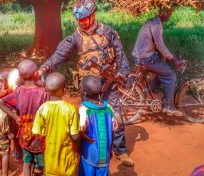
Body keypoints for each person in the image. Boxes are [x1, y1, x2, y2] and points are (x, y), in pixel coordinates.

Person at [40, 0, 134, 167]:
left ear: (93, 15)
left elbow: (120, 53)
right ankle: (91, 148)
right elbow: (60, 54)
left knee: (116, 114)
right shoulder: (75, 37)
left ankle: (120, 151)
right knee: (87, 118)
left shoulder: (108, 32)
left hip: (109, 81)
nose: (82, 22)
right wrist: (45, 67)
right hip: (88, 86)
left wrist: (125, 73)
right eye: (79, 20)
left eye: (85, 18)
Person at [0, 59, 48, 176]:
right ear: (36, 73)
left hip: (25, 137)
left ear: (20, 76)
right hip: (40, 138)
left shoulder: (18, 91)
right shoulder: (43, 93)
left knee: (27, 164)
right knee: (44, 167)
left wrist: (15, 116)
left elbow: (1, 103)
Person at [32, 72, 80, 176]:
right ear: (65, 90)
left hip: (51, 160)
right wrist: (79, 147)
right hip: (67, 160)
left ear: (46, 90)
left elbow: (37, 133)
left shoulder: (43, 109)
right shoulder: (70, 109)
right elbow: (75, 135)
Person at [132, 8, 185, 116]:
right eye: (169, 12)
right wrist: (174, 59)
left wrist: (169, 56)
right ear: (163, 13)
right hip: (145, 56)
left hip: (142, 54)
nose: (170, 15)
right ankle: (169, 107)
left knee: (162, 67)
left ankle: (150, 90)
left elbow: (156, 45)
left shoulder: (154, 22)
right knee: (170, 75)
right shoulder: (156, 25)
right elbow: (160, 45)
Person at [78, 75, 118, 176]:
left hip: (89, 152)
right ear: (101, 91)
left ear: (83, 92)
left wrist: (82, 136)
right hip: (104, 153)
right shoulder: (109, 108)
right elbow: (115, 127)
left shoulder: (84, 109)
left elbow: (81, 128)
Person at [0, 68, 23, 162]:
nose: (6, 89)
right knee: (13, 123)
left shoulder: (15, 80)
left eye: (5, 88)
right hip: (4, 123)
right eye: (4, 88)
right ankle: (18, 149)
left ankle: (19, 149)